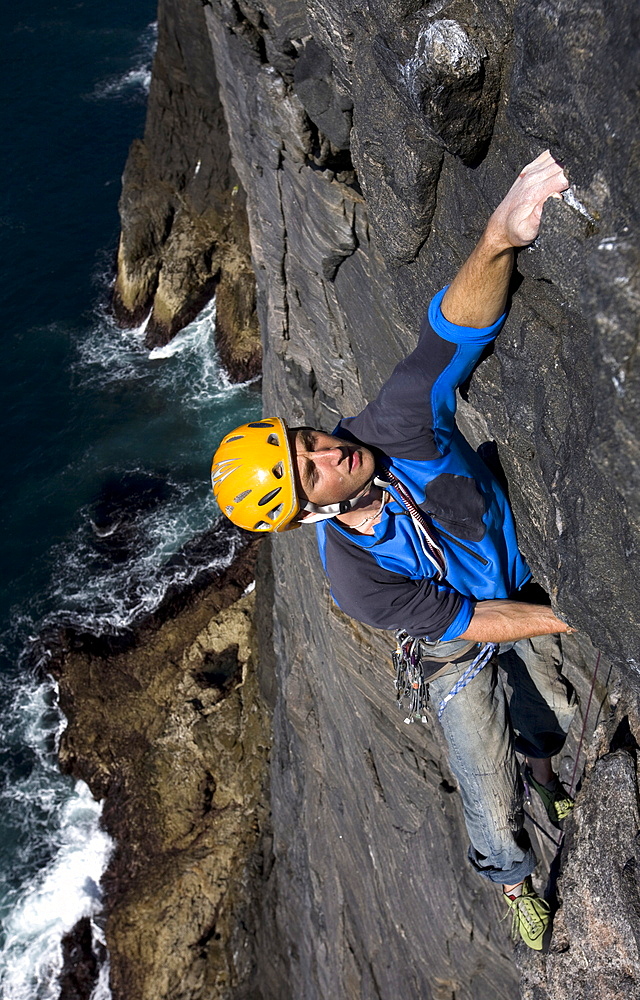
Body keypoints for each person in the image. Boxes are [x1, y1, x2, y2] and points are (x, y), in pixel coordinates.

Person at [210, 150, 577, 950]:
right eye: (311, 473)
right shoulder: (356, 578)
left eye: (305, 440)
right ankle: (513, 883)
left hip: (498, 577)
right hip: (450, 639)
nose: (328, 453)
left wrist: (499, 236)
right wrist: (566, 622)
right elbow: (469, 620)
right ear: (309, 513)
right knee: (484, 777)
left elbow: (451, 333)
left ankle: (549, 776)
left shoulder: (393, 427)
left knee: (549, 708)